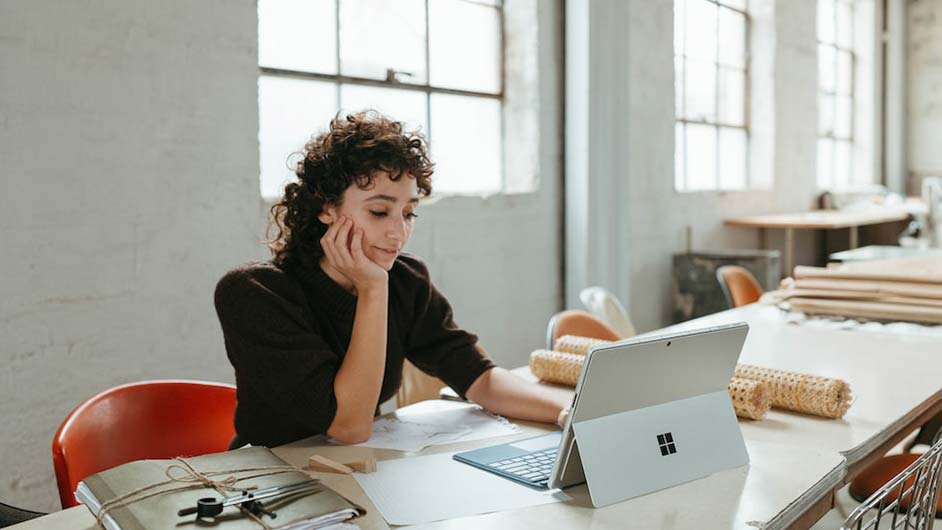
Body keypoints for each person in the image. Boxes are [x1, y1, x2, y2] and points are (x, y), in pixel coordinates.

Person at [215, 110, 569, 448]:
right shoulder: (255, 293)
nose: (398, 233)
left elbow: (479, 378)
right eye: (379, 212)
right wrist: (372, 289)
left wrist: (567, 412)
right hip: (268, 481)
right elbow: (349, 426)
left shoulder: (404, 281)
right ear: (326, 208)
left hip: (357, 470)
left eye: (409, 213)